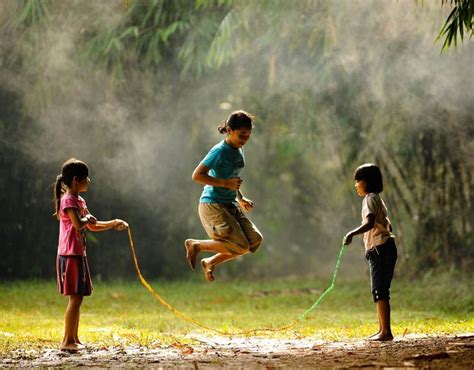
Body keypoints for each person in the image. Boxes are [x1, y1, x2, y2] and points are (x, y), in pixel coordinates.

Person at [53, 158, 128, 352]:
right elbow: (79, 223)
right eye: (87, 177)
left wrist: (113, 223)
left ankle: (74, 338)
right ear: (77, 179)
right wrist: (86, 218)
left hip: (78, 253)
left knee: (79, 297)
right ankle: (66, 341)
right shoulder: (68, 199)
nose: (90, 180)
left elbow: (91, 225)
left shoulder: (79, 200)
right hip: (69, 254)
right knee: (75, 298)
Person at [184, 110, 263, 282]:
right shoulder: (219, 151)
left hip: (230, 203)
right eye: (241, 135)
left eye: (248, 136)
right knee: (241, 246)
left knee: (255, 240)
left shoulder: (238, 149)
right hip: (213, 205)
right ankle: (195, 245)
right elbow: (197, 175)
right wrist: (226, 184)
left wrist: (240, 198)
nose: (245, 139)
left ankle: (210, 262)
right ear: (229, 130)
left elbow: (232, 179)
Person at [343, 163, 397, 341]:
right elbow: (387, 224)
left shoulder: (369, 199)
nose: (356, 184)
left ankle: (386, 332)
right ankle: (382, 329)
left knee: (380, 290)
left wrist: (352, 233)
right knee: (379, 289)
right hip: (384, 247)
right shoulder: (377, 199)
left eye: (358, 181)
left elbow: (370, 223)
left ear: (366, 182)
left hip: (380, 248)